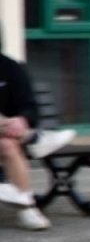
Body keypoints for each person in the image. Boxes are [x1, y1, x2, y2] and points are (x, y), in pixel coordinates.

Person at [0, 50, 70, 231]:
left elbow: (30, 107)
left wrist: (21, 120)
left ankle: (26, 208)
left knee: (7, 145)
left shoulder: (8, 67)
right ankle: (34, 139)